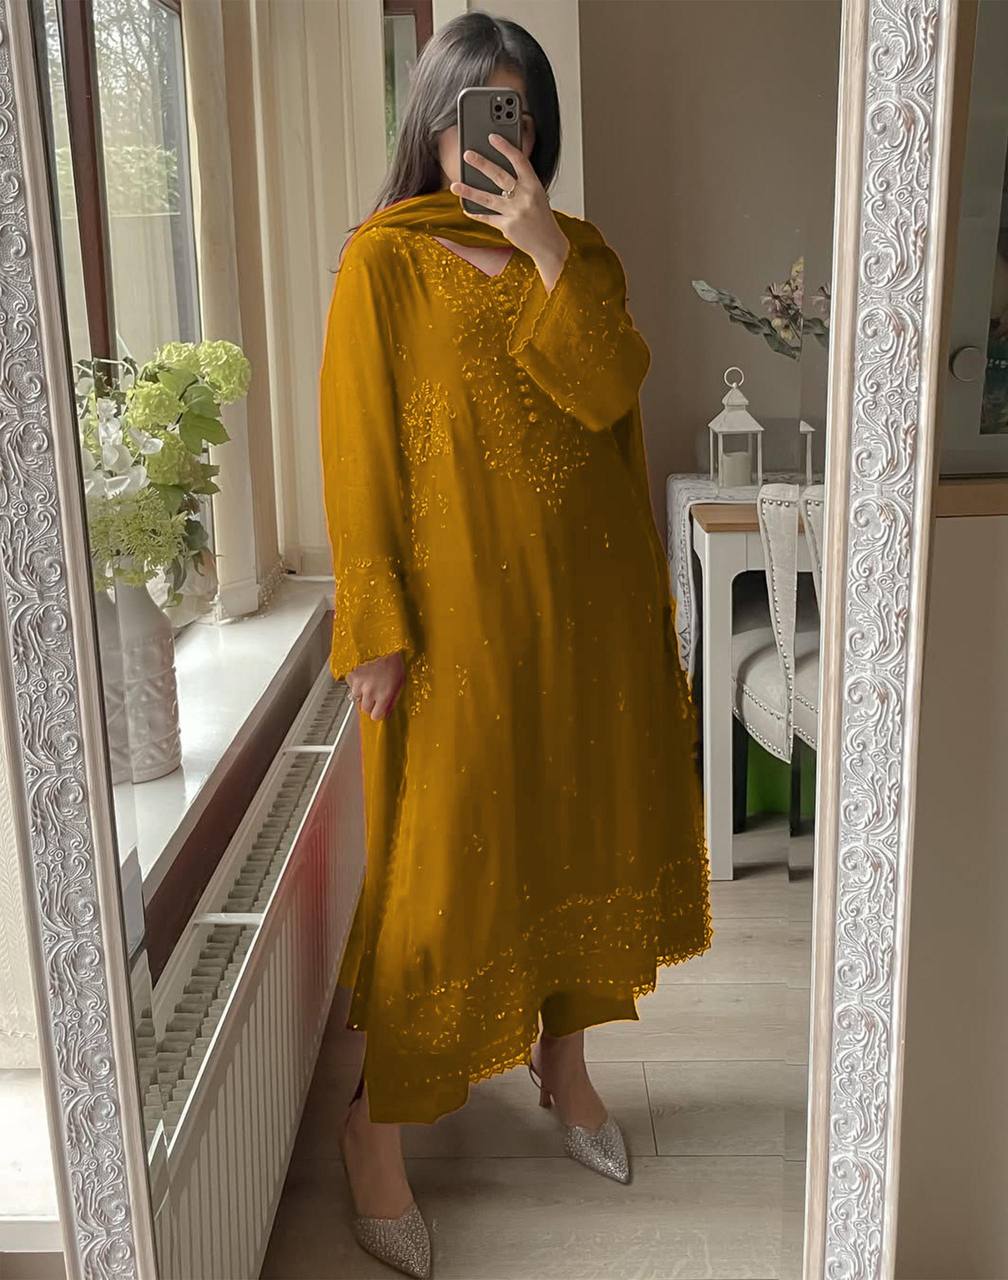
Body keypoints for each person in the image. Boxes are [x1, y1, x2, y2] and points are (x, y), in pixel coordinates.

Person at [319, 12, 712, 1277]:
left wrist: (544, 249)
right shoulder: (382, 261)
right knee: (438, 879)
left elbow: (608, 394)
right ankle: (374, 1129)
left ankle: (567, 1066)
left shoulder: (580, 254)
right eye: (475, 114)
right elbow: (357, 451)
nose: (500, 137)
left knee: (575, 832)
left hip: (587, 614)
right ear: (432, 124)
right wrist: (375, 627)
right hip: (455, 632)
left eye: (521, 115)